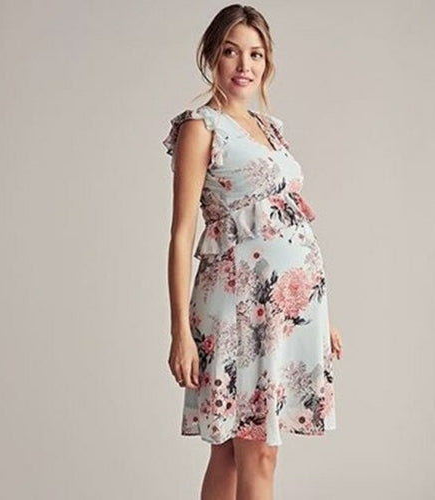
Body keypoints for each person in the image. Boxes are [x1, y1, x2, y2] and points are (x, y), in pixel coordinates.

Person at [162, 5, 343, 499]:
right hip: (238, 309)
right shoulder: (202, 127)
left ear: (268, 61)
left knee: (231, 451)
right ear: (211, 56)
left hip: (285, 310)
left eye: (256, 54)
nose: (245, 64)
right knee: (255, 450)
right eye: (231, 51)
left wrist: (320, 315)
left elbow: (290, 224)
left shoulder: (270, 128)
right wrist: (179, 331)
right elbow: (182, 234)